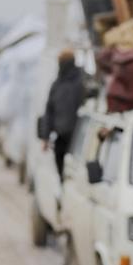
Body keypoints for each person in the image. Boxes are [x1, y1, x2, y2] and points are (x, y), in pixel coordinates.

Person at [40, 49, 86, 181]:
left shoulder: (80, 82)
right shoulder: (57, 84)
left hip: (78, 137)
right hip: (61, 136)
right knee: (62, 174)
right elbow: (49, 111)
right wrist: (45, 136)